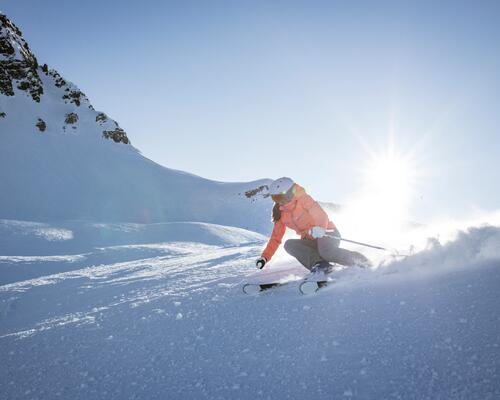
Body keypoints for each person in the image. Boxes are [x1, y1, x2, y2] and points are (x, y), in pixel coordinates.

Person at [255, 177, 369, 271]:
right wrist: (265, 257)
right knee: (289, 244)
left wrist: (320, 228)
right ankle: (321, 266)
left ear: (289, 193)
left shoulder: (303, 199)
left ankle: (360, 261)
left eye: (279, 196)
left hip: (327, 233)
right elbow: (276, 238)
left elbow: (320, 215)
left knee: (326, 252)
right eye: (275, 198)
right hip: (311, 239)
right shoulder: (280, 213)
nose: (278, 201)